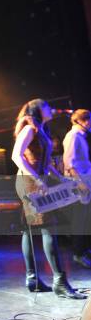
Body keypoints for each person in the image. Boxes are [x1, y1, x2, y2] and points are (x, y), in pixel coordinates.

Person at [12, 99, 84, 299]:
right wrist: (37, 179)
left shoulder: (40, 129)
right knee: (48, 228)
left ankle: (33, 279)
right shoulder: (29, 129)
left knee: (29, 229)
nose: (50, 108)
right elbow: (17, 156)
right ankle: (60, 282)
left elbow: (44, 160)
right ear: (37, 109)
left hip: (38, 181)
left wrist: (58, 177)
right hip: (30, 182)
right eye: (46, 106)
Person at [63, 109, 91, 268]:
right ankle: (78, 253)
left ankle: (84, 250)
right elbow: (69, 163)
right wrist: (81, 184)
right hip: (79, 184)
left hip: (85, 182)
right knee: (80, 220)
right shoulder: (73, 136)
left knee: (86, 219)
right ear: (83, 121)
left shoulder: (80, 136)